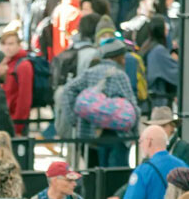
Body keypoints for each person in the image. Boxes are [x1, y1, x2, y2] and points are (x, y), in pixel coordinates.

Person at [54, 38, 137, 166]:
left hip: (90, 133)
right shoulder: (120, 75)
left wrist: (75, 119)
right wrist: (135, 132)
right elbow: (132, 105)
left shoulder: (89, 73)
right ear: (118, 57)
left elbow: (67, 91)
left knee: (93, 175)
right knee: (115, 177)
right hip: (116, 135)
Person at [123, 125, 189, 199]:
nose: (140, 145)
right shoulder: (183, 166)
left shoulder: (142, 171)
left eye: (141, 141)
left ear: (149, 142)